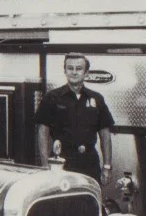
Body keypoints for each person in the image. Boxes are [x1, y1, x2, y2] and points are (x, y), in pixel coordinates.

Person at [35, 54, 114, 182]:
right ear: (65, 71)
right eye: (70, 68)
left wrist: (107, 166)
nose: (74, 72)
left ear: (86, 72)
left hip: (89, 163)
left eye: (79, 68)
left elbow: (105, 134)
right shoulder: (52, 97)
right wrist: (45, 165)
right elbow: (43, 132)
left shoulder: (96, 98)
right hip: (60, 163)